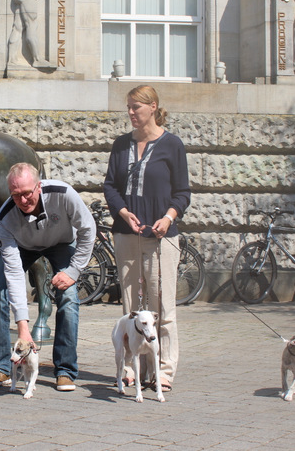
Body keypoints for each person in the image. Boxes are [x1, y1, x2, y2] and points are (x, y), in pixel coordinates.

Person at [102, 85, 191, 392]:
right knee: (131, 308)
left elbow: (183, 193)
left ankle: (164, 370)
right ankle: (131, 369)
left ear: (153, 107)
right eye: (128, 107)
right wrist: (123, 212)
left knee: (161, 307)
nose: (130, 113)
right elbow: (110, 186)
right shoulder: (121, 144)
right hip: (126, 235)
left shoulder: (172, 145)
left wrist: (168, 218)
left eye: (136, 107)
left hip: (160, 237)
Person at [0, 163, 95, 391]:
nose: (23, 201)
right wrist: (23, 328)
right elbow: (14, 275)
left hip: (61, 243)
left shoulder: (63, 194)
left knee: (69, 295)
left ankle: (65, 370)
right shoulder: (4, 219)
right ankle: (1, 368)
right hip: (23, 246)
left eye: (27, 193)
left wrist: (73, 271)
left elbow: (88, 229)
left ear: (39, 186)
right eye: (16, 195)